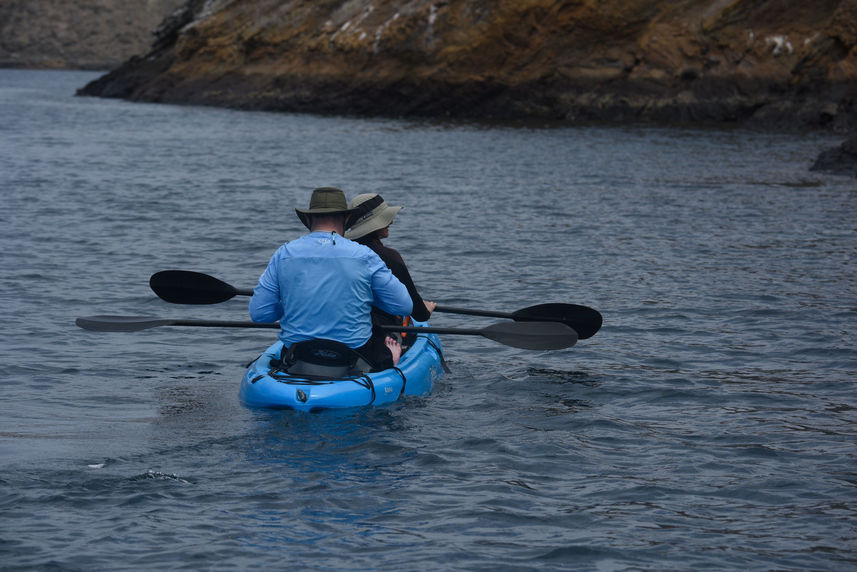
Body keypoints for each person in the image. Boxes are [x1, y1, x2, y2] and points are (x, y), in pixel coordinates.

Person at [249, 187, 413, 370]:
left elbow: (260, 314)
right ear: (346, 218)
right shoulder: (364, 256)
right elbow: (404, 306)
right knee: (380, 335)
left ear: (309, 219)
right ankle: (391, 358)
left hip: (299, 355)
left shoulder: (283, 254)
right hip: (353, 355)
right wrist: (365, 297)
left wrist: (290, 300)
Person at [345, 193, 436, 347]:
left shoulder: (342, 253)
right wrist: (426, 309)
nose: (391, 222)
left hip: (347, 328)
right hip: (381, 334)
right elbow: (419, 313)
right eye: (386, 219)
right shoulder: (390, 257)